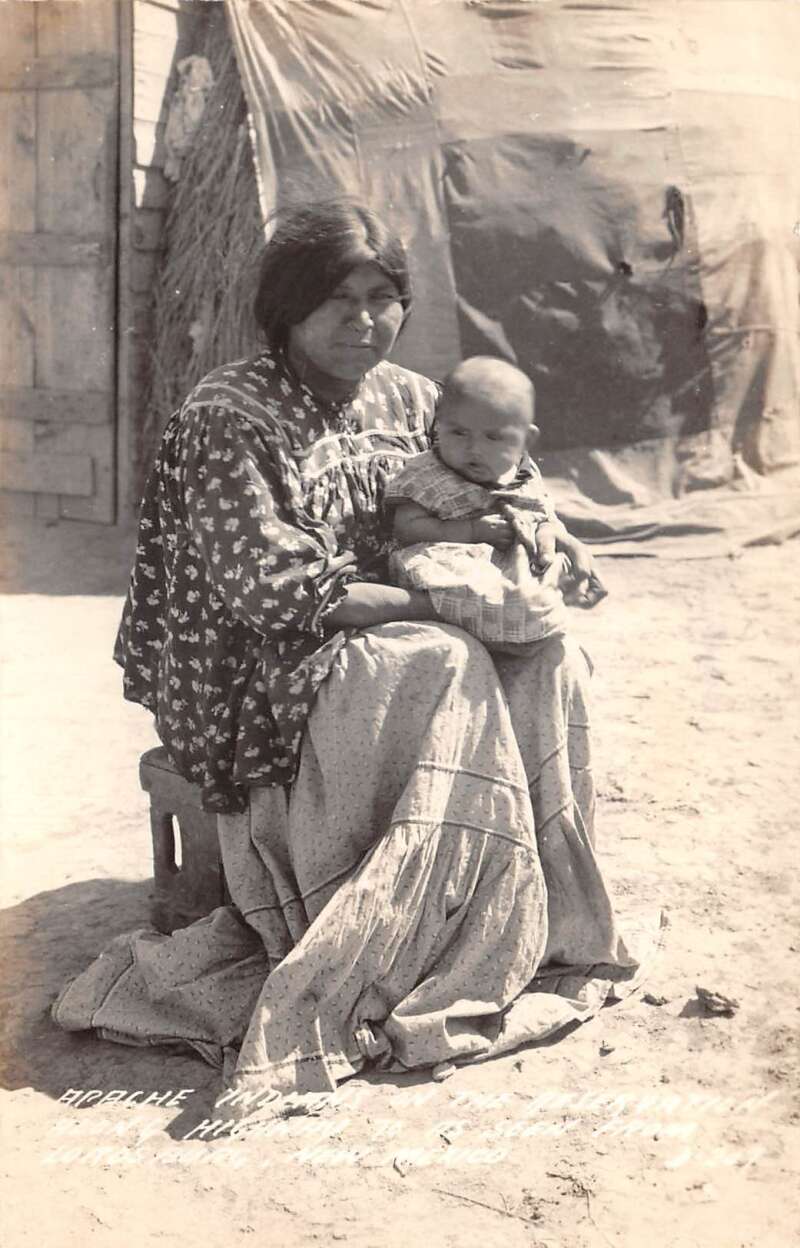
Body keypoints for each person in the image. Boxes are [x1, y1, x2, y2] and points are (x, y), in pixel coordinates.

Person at [53, 199, 637, 1110]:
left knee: (547, 653)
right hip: (249, 665)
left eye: (382, 297)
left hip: (383, 617)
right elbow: (275, 595)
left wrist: (540, 545)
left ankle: (517, 921)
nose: (364, 321)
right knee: (444, 659)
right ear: (286, 306)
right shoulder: (230, 417)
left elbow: (493, 485)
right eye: (338, 300)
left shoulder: (410, 399)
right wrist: (444, 604)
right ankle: (393, 933)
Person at [386, 356, 606, 654]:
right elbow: (405, 528)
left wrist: (543, 535)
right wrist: (470, 530)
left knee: (548, 578)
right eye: (458, 432)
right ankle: (508, 629)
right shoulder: (426, 472)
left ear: (526, 439)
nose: (473, 448)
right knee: (492, 596)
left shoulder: (521, 472)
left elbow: (540, 514)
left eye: (493, 437)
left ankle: (526, 627)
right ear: (438, 425)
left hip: (508, 565)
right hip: (447, 559)